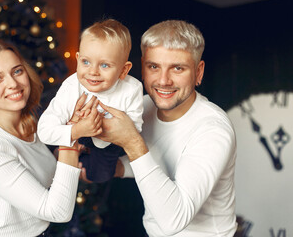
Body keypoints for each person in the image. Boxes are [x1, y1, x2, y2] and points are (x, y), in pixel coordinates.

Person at [96, 20, 237, 236]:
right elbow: (160, 162)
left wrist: (132, 142)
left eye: (177, 68)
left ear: (198, 72)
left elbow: (174, 220)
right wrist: (117, 168)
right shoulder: (142, 107)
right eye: (154, 67)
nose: (163, 81)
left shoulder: (213, 129)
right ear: (142, 67)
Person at [0, 40, 100, 237]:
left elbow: (34, 170)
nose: (12, 84)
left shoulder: (28, 125)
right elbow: (57, 212)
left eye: (17, 71)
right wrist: (70, 137)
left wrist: (70, 150)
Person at [37, 19, 143, 183]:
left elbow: (135, 129)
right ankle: (65, 153)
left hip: (109, 141)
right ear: (78, 59)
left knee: (99, 174)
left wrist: (99, 126)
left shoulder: (132, 89)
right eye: (86, 62)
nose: (93, 72)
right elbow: (44, 131)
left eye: (105, 65)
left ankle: (84, 161)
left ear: (124, 70)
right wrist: (77, 130)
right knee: (50, 154)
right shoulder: (72, 86)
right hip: (74, 130)